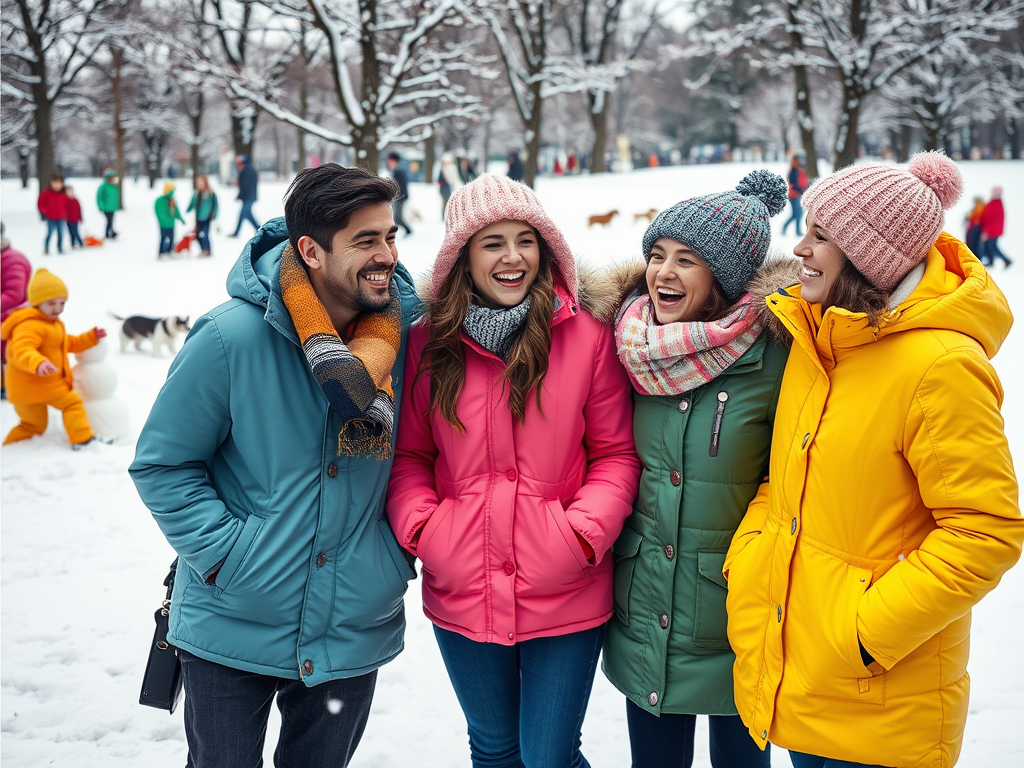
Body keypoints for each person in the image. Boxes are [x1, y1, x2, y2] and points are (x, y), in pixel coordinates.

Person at [725, 152, 1023, 768]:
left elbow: (984, 532)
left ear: (870, 256)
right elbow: (783, 481)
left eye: (822, 236)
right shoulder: (820, 340)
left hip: (881, 693)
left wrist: (863, 634)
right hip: (802, 675)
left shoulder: (940, 366)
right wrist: (751, 555)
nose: (799, 248)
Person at [129, 164, 421, 768]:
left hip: (352, 621)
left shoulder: (406, 342)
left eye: (390, 237)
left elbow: (427, 457)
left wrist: (389, 557)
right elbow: (163, 463)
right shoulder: (230, 338)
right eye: (365, 241)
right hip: (232, 618)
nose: (386, 255)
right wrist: (230, 556)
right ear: (310, 250)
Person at [387, 173, 641, 768]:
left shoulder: (587, 337)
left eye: (525, 240)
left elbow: (616, 455)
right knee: (495, 750)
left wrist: (578, 536)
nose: (512, 257)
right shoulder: (429, 344)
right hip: (463, 584)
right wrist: (428, 532)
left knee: (547, 756)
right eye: (492, 242)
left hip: (566, 587)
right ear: (462, 258)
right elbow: (411, 458)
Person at [603, 170, 793, 768]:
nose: (664, 272)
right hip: (646, 606)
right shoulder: (627, 346)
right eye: (657, 255)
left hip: (736, 611)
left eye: (687, 259)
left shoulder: (776, 355)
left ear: (726, 277)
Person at [2, 268, 108, 449]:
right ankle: (83, 440)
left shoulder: (50, 324)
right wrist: (38, 362)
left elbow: (67, 343)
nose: (58, 309)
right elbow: (21, 350)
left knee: (32, 426)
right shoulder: (29, 325)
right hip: (43, 385)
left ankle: (9, 449)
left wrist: (90, 338)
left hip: (23, 392)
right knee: (72, 404)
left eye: (62, 303)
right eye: (52, 303)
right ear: (37, 303)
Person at [1, 222, 32, 400]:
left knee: (8, 355)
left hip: (12, 318)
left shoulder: (12, 260)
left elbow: (14, 293)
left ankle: (8, 386)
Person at [188, 175, 219, 257]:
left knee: (204, 234)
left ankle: (207, 250)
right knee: (198, 235)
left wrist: (214, 215)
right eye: (198, 182)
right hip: (198, 218)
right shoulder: (197, 193)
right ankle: (204, 250)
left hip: (207, 217)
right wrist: (188, 209)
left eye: (201, 182)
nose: (200, 184)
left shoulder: (210, 194)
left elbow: (215, 205)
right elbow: (192, 203)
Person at [980, 185, 1011, 267]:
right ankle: (991, 261)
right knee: (990, 246)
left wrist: (986, 231)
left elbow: (988, 218)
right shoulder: (997, 203)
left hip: (992, 231)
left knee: (992, 246)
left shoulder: (994, 204)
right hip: (994, 230)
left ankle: (1006, 260)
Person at [230, 154, 260, 237]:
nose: (237, 166)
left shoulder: (246, 171)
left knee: (245, 214)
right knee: (244, 214)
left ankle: (259, 229)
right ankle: (237, 232)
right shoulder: (249, 169)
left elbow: (245, 186)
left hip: (248, 197)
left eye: (238, 163)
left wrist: (239, 195)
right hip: (249, 196)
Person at [37, 174, 68, 255]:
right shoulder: (46, 192)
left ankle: (60, 248)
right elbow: (40, 203)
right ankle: (46, 249)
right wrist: (45, 211)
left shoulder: (63, 193)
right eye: (55, 183)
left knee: (60, 233)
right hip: (50, 217)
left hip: (61, 217)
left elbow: (67, 204)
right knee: (50, 233)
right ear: (51, 183)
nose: (57, 185)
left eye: (59, 183)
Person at [154, 181, 185, 258]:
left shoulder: (173, 200)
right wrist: (163, 220)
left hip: (171, 224)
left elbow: (176, 211)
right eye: (171, 190)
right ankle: (161, 252)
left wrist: (180, 218)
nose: (173, 192)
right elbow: (159, 212)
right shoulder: (160, 201)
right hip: (163, 224)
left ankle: (169, 251)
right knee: (164, 238)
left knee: (171, 238)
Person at [385, 151, 413, 236]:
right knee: (396, 217)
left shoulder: (399, 170)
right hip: (398, 196)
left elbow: (400, 185)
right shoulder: (395, 170)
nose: (388, 163)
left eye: (389, 161)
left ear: (394, 161)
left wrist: (397, 195)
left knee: (397, 217)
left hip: (400, 197)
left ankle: (407, 230)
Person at [782, 154, 808, 236]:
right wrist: (801, 191)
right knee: (796, 214)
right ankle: (787, 227)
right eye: (798, 160)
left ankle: (796, 231)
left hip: (797, 195)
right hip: (794, 195)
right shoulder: (793, 171)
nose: (799, 161)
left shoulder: (798, 170)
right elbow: (794, 184)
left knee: (797, 214)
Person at [96, 169, 120, 239]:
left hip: (112, 207)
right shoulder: (103, 186)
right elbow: (99, 197)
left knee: (111, 220)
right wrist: (101, 206)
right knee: (109, 220)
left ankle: (111, 232)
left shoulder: (113, 186)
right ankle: (108, 233)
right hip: (106, 207)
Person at [437, 153, 462, 218]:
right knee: (445, 202)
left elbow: (454, 177)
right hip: (444, 187)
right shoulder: (442, 169)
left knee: (449, 202)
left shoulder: (451, 167)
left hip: (449, 187)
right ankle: (445, 216)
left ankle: (448, 216)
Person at [964, 195, 985, 260]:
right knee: (973, 244)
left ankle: (974, 258)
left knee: (974, 245)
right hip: (973, 228)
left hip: (976, 228)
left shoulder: (980, 208)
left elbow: (972, 217)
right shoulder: (976, 208)